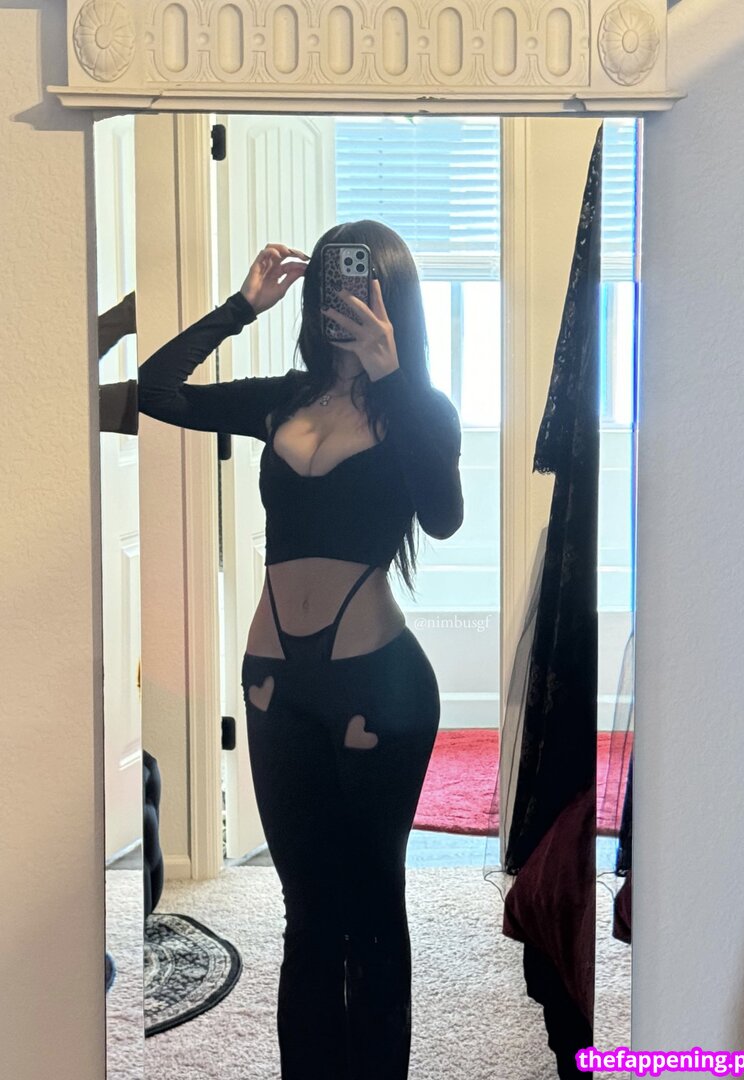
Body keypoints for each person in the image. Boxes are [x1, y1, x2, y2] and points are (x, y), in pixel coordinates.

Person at [137, 220, 464, 1080]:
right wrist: (241, 306)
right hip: (275, 686)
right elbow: (155, 390)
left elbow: (443, 516)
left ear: (390, 296)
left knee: (373, 911)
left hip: (378, 685)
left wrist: (392, 377)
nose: (337, 299)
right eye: (326, 285)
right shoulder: (281, 399)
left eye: (355, 283)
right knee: (307, 916)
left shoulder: (421, 410)